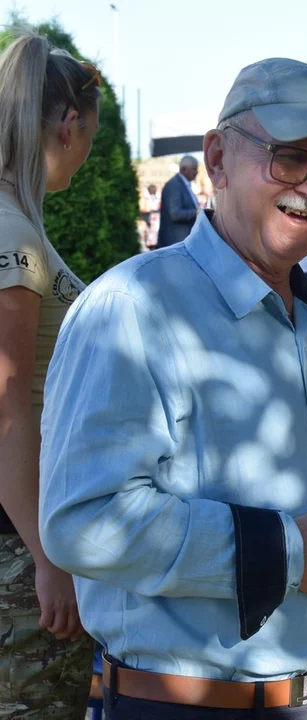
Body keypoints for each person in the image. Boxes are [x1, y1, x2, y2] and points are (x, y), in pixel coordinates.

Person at [38, 57, 307, 720]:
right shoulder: (133, 310)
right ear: (218, 159)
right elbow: (82, 519)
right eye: (290, 158)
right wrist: (293, 550)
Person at [0, 33, 100, 718]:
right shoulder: (13, 236)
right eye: (92, 133)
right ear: (69, 124)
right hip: (16, 540)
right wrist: (48, 556)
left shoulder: (17, 223)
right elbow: (8, 408)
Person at [157, 155, 200, 248]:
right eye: (194, 169)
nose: (196, 172)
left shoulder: (184, 185)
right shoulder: (174, 185)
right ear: (184, 169)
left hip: (183, 241)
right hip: (175, 242)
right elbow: (175, 214)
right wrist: (198, 212)